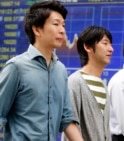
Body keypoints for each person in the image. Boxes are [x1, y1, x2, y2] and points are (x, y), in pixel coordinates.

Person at [0, 1, 83, 141]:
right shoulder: (16, 67)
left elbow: (66, 117)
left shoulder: (61, 70)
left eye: (63, 25)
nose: (62, 30)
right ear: (37, 29)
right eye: (56, 24)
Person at [63, 25, 113, 141]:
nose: (111, 49)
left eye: (110, 44)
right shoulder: (75, 82)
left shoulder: (103, 85)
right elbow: (69, 123)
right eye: (105, 43)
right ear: (88, 47)